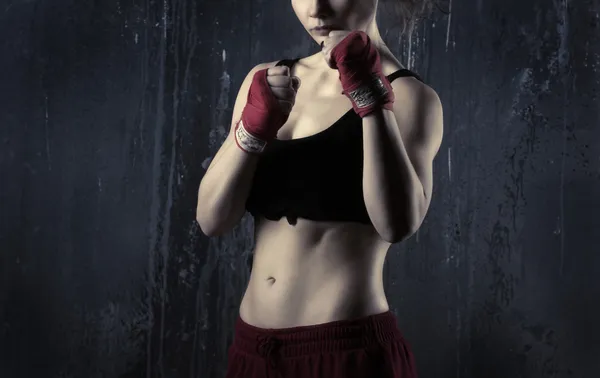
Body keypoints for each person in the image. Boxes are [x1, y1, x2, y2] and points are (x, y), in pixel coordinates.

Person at [197, 0, 444, 377]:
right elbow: (211, 220)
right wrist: (250, 130)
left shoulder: (411, 97)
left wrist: (370, 97)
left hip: (346, 351)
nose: (317, 9)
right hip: (253, 352)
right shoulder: (265, 80)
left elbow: (397, 224)